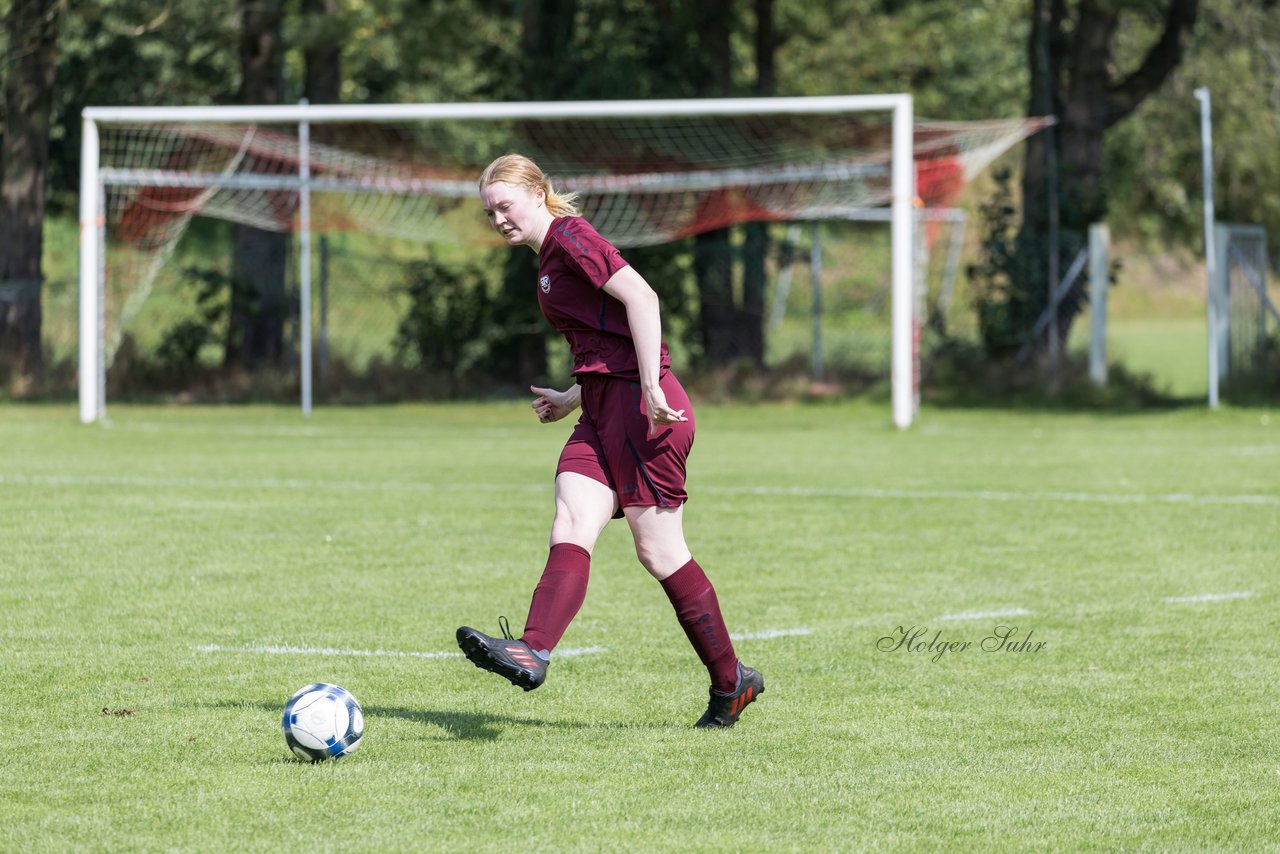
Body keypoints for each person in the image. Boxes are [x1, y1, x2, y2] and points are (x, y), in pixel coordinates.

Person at [456, 154, 764, 728]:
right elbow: (605, 342)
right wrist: (572, 398)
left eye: (505, 205)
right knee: (570, 523)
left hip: (646, 411)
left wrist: (649, 386)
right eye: (489, 211)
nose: (498, 218)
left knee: (660, 552)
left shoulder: (571, 234)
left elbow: (643, 299)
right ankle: (533, 648)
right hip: (600, 409)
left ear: (538, 193)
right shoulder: (547, 257)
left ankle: (733, 682)